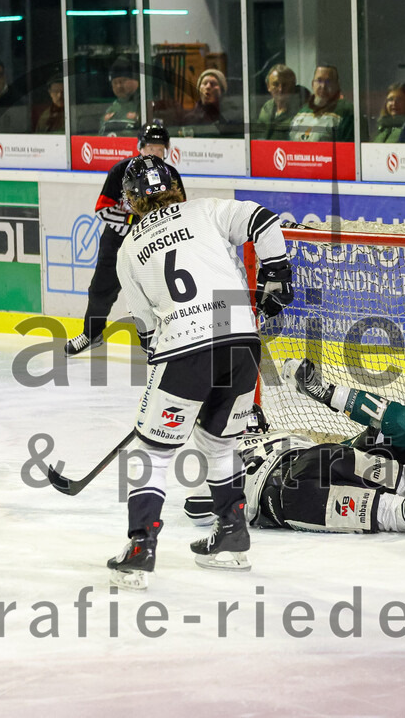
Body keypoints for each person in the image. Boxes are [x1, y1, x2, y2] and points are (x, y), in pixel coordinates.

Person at [104, 154, 294, 590]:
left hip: (183, 347)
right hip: (239, 337)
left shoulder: (129, 249)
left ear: (131, 201)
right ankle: (231, 537)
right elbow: (263, 220)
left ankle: (140, 548)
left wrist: (167, 387)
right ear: (177, 185)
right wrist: (276, 273)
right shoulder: (206, 209)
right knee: (218, 441)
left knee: (153, 451)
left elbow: (149, 332)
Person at [184, 358, 405, 538]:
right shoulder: (277, 436)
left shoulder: (219, 458)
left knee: (389, 510)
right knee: (402, 474)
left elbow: (197, 508)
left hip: (283, 500)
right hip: (322, 458)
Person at [64, 121, 185, 357]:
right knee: (100, 290)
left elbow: (177, 210)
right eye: (150, 147)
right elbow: (102, 209)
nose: (155, 153)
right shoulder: (121, 171)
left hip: (154, 245)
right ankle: (91, 333)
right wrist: (135, 223)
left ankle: (165, 341)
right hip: (118, 243)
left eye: (159, 149)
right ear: (140, 147)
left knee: (159, 294)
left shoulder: (170, 174)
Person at [289, 65, 354, 142]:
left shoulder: (346, 112)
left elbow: (348, 149)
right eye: (319, 81)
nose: (323, 86)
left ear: (337, 85)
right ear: (312, 84)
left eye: (328, 81)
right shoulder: (302, 111)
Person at [254, 65, 307, 140]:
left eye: (285, 85)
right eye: (276, 84)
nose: (280, 89)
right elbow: (258, 135)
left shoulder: (302, 111)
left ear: (293, 86)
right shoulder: (267, 107)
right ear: (268, 86)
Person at [179, 68, 229, 137]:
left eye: (213, 84)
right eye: (205, 83)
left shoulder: (229, 119)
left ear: (222, 91)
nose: (208, 87)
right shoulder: (189, 119)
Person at [98, 56, 140, 136]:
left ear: (135, 81)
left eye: (123, 81)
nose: (118, 86)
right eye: (115, 82)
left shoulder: (144, 106)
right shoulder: (110, 109)